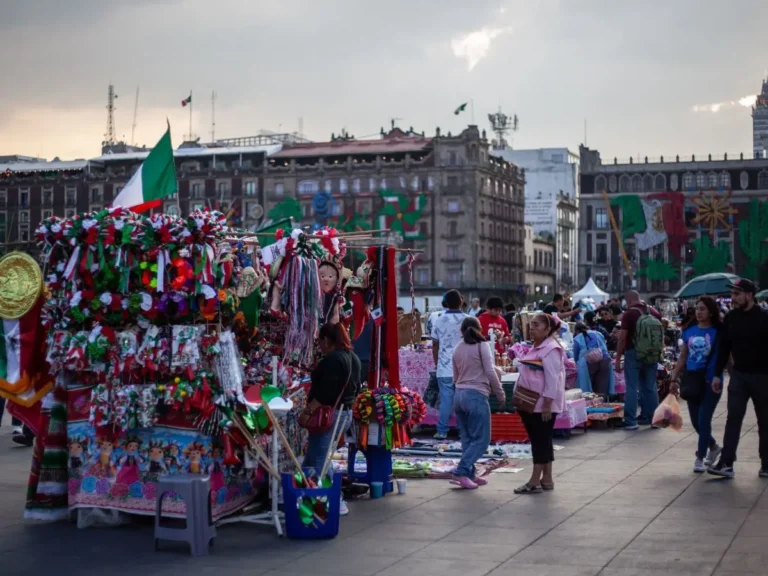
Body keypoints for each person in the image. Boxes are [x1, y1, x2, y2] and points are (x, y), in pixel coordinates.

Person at [707, 279, 768, 478]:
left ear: (749, 295)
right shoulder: (731, 318)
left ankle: (766, 464)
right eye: (732, 294)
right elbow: (724, 348)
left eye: (737, 294)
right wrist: (717, 375)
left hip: (763, 376)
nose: (732, 298)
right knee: (733, 418)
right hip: (739, 376)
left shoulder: (764, 317)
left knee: (765, 421)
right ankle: (726, 463)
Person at [301, 322, 360, 515]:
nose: (319, 346)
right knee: (315, 457)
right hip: (344, 413)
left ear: (326, 340)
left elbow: (325, 393)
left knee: (319, 460)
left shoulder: (333, 360)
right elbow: (356, 388)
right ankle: (309, 496)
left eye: (320, 342)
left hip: (330, 414)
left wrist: (307, 411)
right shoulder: (352, 357)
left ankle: (333, 500)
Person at [669, 296, 723, 473]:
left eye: (703, 309)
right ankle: (713, 446)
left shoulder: (719, 332)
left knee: (704, 419)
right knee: (695, 422)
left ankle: (700, 456)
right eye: (697, 309)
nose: (698, 312)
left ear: (711, 312)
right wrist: (674, 378)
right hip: (692, 380)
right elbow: (683, 357)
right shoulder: (689, 331)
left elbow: (728, 358)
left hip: (711, 382)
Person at [450, 317, 505, 489]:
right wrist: (500, 393)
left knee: (467, 439)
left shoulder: (457, 348)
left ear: (462, 331)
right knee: (481, 440)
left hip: (459, 395)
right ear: (479, 329)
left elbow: (455, 377)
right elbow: (490, 371)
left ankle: (469, 474)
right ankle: (461, 471)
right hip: (476, 395)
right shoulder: (483, 346)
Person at [514, 313, 566, 494]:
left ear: (547, 328)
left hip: (541, 404)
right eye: (531, 324)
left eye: (536, 325)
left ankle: (535, 481)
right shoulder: (537, 347)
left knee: (539, 442)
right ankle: (547, 479)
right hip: (531, 402)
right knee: (543, 440)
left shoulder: (551, 349)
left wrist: (547, 405)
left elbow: (553, 379)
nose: (532, 328)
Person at [614, 290, 662, 430]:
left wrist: (618, 358)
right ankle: (653, 419)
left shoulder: (629, 314)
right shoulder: (654, 312)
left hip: (633, 353)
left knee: (632, 387)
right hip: (652, 354)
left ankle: (631, 421)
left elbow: (622, 338)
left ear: (628, 301)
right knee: (650, 386)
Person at [430, 290, 467, 440]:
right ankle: (462, 431)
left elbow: (435, 345)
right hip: (464, 367)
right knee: (462, 401)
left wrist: (437, 363)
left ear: (445, 303)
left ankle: (442, 431)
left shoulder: (439, 319)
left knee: (446, 400)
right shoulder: (468, 320)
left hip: (444, 367)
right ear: (461, 302)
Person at [573, 322, 613, 398]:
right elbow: (604, 346)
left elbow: (576, 355)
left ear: (577, 330)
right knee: (603, 381)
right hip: (604, 358)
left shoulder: (578, 338)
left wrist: (576, 362)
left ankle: (593, 401)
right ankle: (603, 399)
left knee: (590, 383)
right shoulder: (598, 333)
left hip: (589, 362)